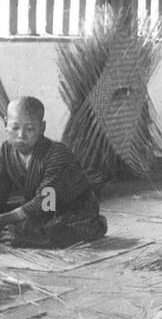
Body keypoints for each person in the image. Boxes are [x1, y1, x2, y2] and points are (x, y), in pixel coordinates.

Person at [0, 96, 108, 248]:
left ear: (42, 127)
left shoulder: (57, 154)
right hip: (39, 212)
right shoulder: (6, 150)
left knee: (24, 234)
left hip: (70, 212)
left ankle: (93, 226)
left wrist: (6, 218)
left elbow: (47, 202)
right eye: (15, 127)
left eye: (30, 129)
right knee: (12, 230)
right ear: (5, 124)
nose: (21, 135)